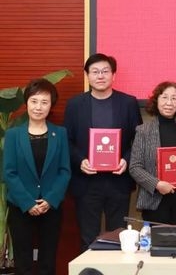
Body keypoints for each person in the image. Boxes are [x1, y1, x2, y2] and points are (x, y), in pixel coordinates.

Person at [64, 53, 142, 251]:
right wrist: (80, 161)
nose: (100, 76)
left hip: (118, 181)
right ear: (87, 76)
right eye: (95, 72)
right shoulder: (74, 105)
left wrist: (126, 160)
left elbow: (138, 139)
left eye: (105, 71)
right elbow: (67, 140)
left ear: (113, 75)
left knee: (118, 239)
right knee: (88, 239)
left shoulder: (128, 103)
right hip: (86, 182)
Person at [3, 79, 71, 275]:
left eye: (44, 102)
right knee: (23, 261)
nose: (38, 107)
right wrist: (27, 202)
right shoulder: (13, 135)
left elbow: (64, 171)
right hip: (20, 206)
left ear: (51, 105)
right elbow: (9, 172)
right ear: (27, 103)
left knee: (48, 260)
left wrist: (50, 199)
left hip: (50, 205)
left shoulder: (60, 133)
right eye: (34, 101)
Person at [129, 81, 176, 226]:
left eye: (174, 98)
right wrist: (157, 184)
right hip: (154, 199)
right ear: (156, 100)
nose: (169, 103)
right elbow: (135, 167)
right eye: (164, 97)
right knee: (156, 240)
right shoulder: (143, 130)